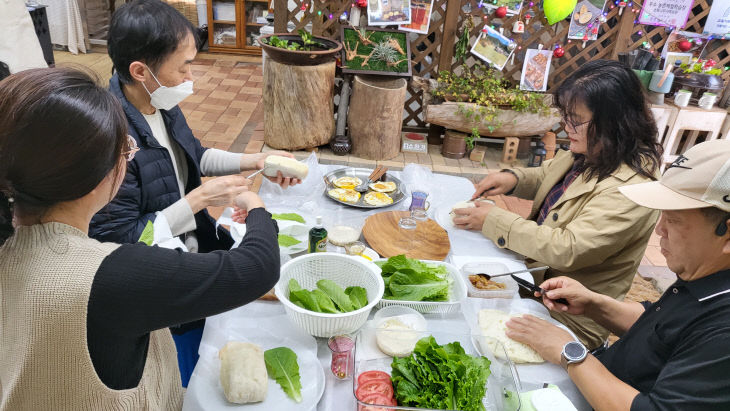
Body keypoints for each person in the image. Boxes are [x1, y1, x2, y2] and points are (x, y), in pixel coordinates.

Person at [0, 67, 279, 409]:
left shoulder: (10, 248)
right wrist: (256, 206)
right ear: (100, 177)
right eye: (125, 152)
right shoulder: (109, 276)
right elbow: (257, 267)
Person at [89, 0, 297, 385]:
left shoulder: (159, 101)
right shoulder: (112, 141)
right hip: (161, 273)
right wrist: (200, 199)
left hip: (192, 243)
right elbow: (124, 240)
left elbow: (195, 155)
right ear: (140, 70)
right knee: (185, 370)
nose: (190, 75)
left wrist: (254, 161)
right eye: (182, 65)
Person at [453, 59, 662, 351]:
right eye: (565, 116)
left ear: (615, 122)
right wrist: (512, 178)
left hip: (570, 316)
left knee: (468, 333)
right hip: (534, 282)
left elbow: (567, 248)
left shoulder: (635, 188)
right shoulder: (592, 150)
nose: (566, 126)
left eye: (575, 119)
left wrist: (493, 220)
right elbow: (546, 174)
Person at [505, 140, 730, 410]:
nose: (660, 230)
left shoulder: (723, 331)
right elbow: (662, 326)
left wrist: (570, 352)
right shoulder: (708, 272)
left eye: (674, 220)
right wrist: (593, 304)